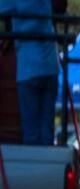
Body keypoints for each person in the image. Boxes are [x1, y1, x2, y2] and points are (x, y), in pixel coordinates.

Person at [0, 0, 65, 145]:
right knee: (47, 130)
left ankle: (33, 163)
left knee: (30, 134)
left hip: (28, 69)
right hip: (50, 67)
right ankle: (46, 163)